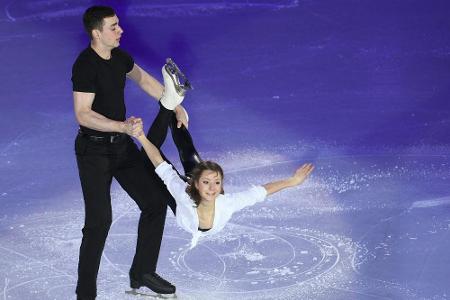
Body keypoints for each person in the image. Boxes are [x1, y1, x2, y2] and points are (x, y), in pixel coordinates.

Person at [71, 5, 185, 299]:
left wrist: (174, 104)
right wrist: (121, 126)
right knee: (98, 223)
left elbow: (145, 80)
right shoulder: (85, 65)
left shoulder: (120, 57)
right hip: (93, 152)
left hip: (121, 147)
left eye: (118, 24)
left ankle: (142, 272)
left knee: (154, 201)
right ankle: (85, 294)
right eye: (113, 27)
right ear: (97, 33)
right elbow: (83, 114)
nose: (120, 30)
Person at [134, 105, 315, 249]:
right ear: (195, 183)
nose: (213, 188)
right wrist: (141, 136)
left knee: (147, 163)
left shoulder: (220, 203)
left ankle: (170, 113)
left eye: (217, 182)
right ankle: (173, 108)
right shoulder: (184, 192)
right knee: (187, 154)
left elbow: (260, 192)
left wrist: (293, 181)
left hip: (182, 212)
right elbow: (163, 167)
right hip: (189, 192)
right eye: (206, 182)